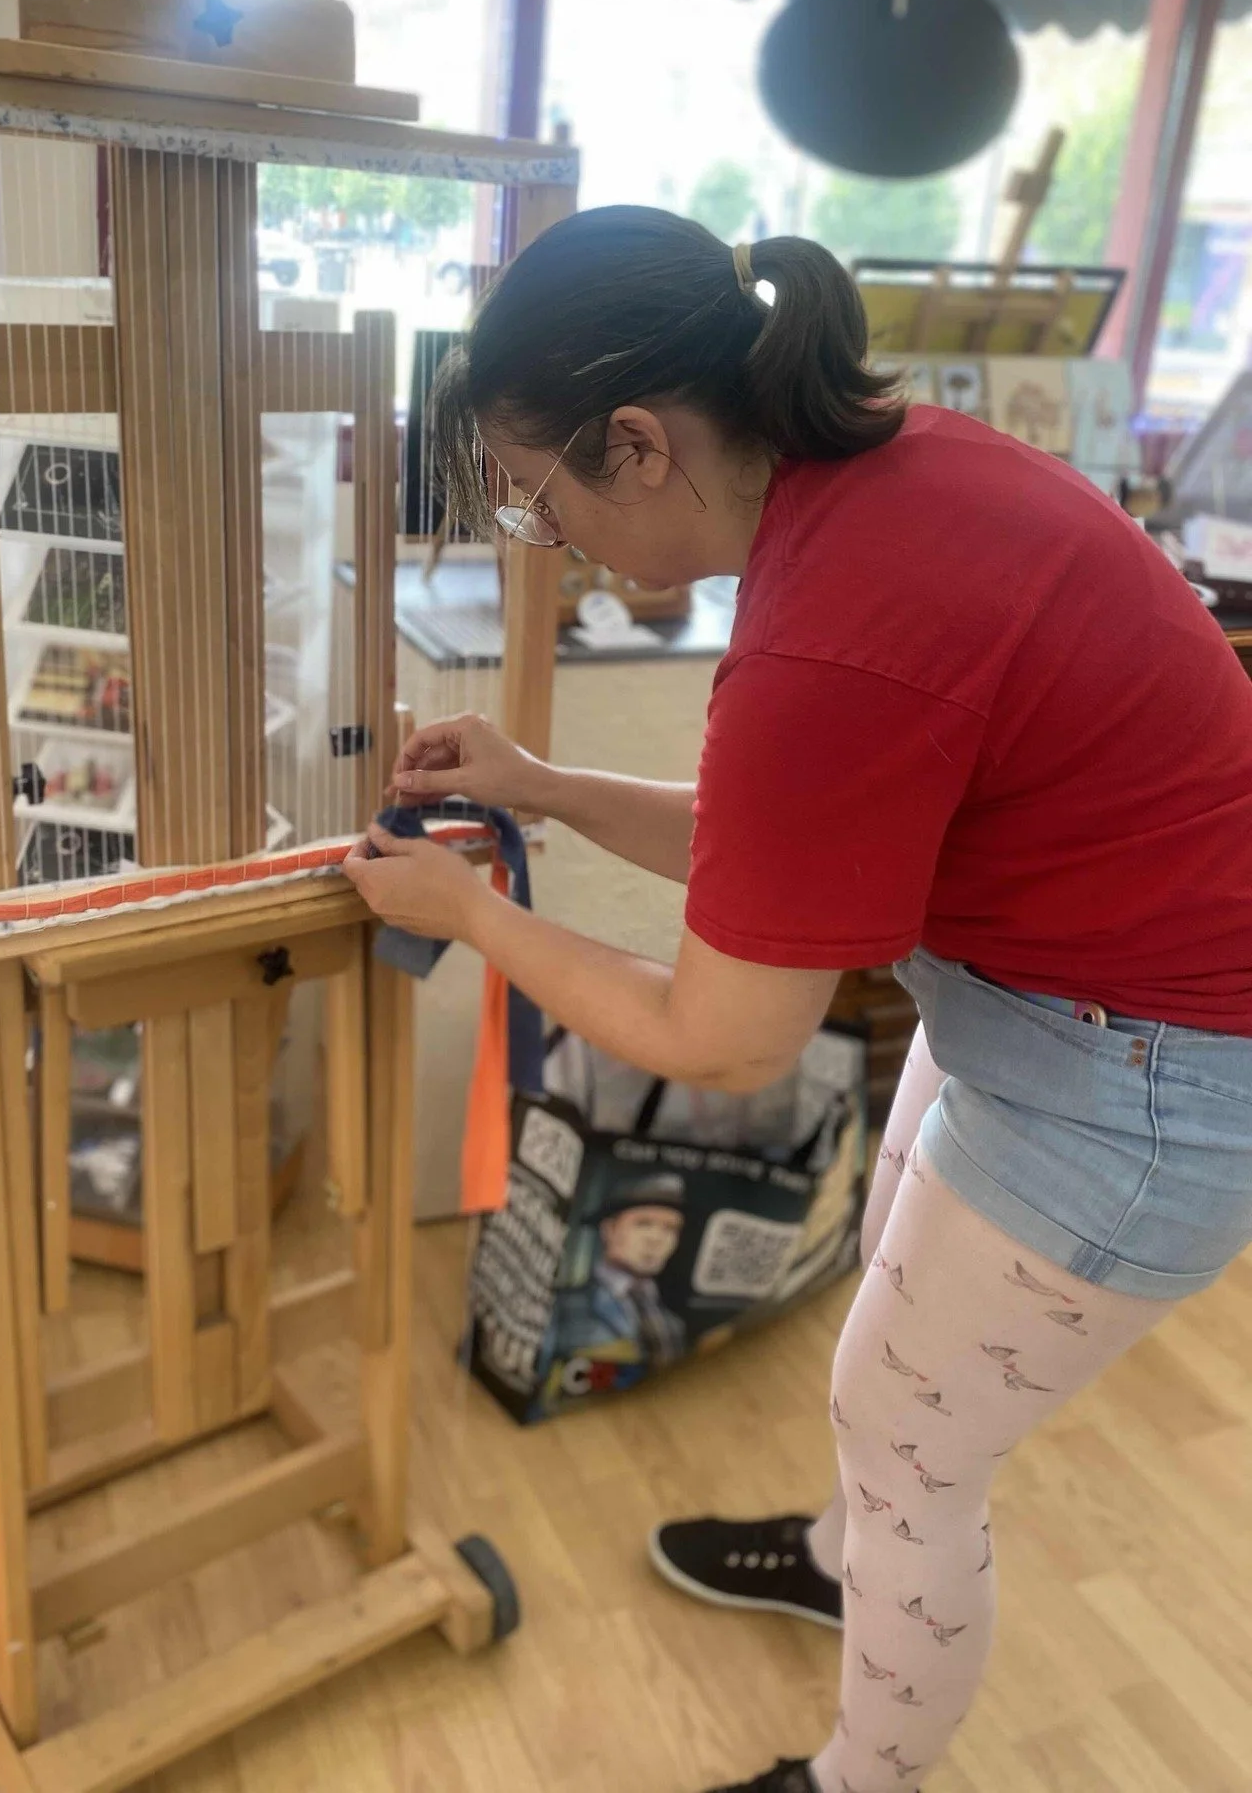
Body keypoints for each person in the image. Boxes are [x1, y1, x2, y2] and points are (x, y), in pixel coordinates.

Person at [342, 205, 1252, 1793]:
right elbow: (795, 853)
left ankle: (858, 1776)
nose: (558, 556)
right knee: (889, 1396)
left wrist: (469, 916)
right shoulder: (874, 477)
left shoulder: (834, 632)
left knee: (909, 1449)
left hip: (1154, 1075)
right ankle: (848, 1562)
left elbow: (725, 1035)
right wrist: (538, 785)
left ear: (637, 442)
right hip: (1039, 999)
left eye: (548, 513)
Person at [545, 1170, 690, 1368]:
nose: (656, 1239)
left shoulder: (674, 1324)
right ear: (609, 1230)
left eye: (670, 1228)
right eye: (643, 1224)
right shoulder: (562, 1306)